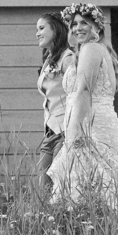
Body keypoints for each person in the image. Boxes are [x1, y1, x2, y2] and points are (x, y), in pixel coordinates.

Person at [46, 2, 118, 207]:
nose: (77, 28)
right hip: (98, 120)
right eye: (74, 24)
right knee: (100, 181)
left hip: (89, 125)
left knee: (87, 181)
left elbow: (84, 90)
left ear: (97, 26)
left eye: (84, 23)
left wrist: (75, 131)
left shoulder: (91, 48)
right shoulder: (96, 50)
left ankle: (89, 228)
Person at [35, 12, 73, 189]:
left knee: (59, 184)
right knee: (43, 185)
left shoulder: (68, 58)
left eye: (42, 28)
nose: (37, 33)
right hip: (50, 131)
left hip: (65, 130)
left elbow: (77, 93)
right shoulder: (49, 59)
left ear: (56, 30)